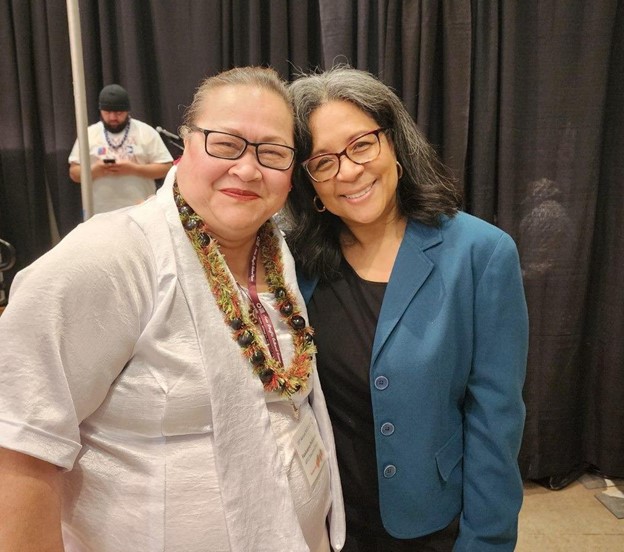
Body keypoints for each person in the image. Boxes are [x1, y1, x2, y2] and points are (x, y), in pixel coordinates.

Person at [0, 67, 345, 552]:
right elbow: (19, 445)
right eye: (226, 143)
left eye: (272, 152)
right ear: (183, 146)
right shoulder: (109, 258)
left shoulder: (276, 250)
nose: (247, 169)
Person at [285, 66, 529, 551]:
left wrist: (488, 540)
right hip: (325, 524)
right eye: (323, 161)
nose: (348, 171)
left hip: (433, 525)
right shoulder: (294, 263)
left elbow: (495, 421)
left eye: (361, 144)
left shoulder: (480, 253)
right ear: (308, 181)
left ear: (395, 143)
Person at [68, 83, 173, 214]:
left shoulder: (145, 131)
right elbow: (74, 173)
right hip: (99, 212)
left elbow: (167, 168)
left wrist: (134, 169)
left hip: (140, 210)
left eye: (118, 113)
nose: (112, 117)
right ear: (100, 111)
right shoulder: (88, 134)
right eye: (107, 112)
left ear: (127, 111)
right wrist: (95, 171)